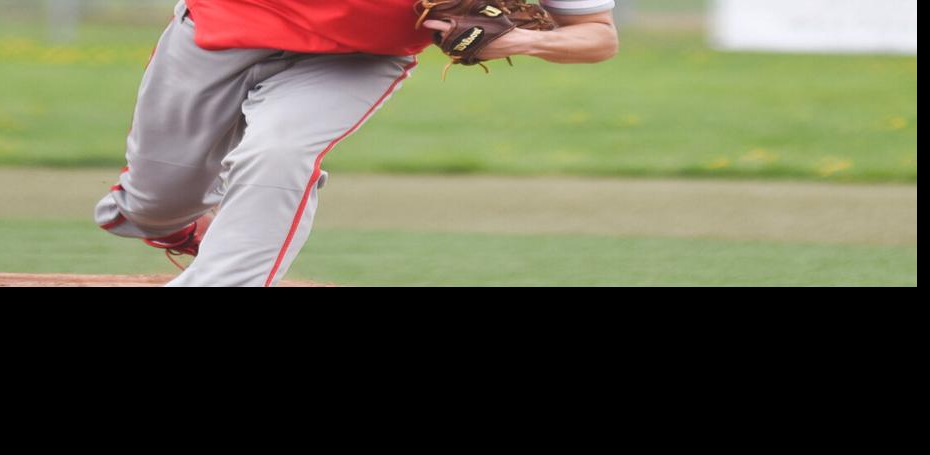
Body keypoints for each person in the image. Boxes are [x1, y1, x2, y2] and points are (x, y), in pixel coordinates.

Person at [94, 0, 619, 287]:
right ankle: (178, 224)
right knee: (155, 201)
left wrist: (523, 40)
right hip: (219, 31)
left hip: (355, 60)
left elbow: (598, 34)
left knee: (279, 151)